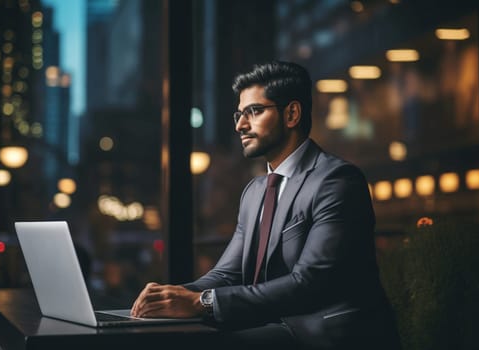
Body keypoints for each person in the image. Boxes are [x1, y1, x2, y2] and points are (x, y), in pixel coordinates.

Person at [131, 60, 401, 349]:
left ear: (292, 114)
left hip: (328, 336)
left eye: (254, 111)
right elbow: (227, 273)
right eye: (239, 114)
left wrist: (202, 302)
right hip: (271, 326)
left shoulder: (337, 181)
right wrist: (171, 295)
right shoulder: (256, 190)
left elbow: (309, 282)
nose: (240, 125)